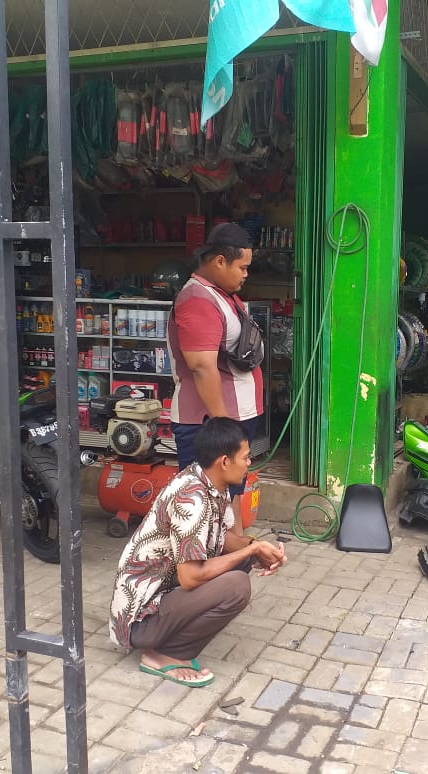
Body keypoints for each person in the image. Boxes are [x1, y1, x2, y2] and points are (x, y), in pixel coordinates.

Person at [108, 418, 286, 687]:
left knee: (242, 563)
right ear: (224, 461)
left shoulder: (210, 481)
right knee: (236, 586)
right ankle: (164, 654)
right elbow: (191, 577)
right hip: (140, 620)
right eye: (246, 457)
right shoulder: (192, 499)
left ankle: (169, 641)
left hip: (165, 595)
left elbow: (221, 538)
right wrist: (251, 549)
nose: (249, 463)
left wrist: (256, 548)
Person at [168, 222, 263, 529]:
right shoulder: (197, 300)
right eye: (242, 267)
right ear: (220, 261)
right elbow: (201, 366)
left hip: (229, 419)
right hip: (208, 423)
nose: (246, 274)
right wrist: (223, 428)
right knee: (203, 505)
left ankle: (234, 550)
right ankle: (202, 557)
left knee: (229, 497)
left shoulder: (219, 294)